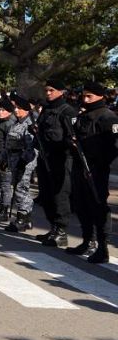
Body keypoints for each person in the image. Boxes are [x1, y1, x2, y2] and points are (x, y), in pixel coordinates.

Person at [66, 81, 118, 263]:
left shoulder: (108, 117)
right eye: (84, 96)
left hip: (96, 169)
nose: (85, 99)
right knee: (81, 206)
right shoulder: (84, 115)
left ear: (100, 96)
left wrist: (97, 164)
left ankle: (103, 248)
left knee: (98, 207)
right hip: (80, 166)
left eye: (90, 96)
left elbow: (114, 147)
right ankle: (88, 241)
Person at [34, 79, 79, 248]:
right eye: (46, 90)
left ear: (61, 91)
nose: (48, 93)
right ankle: (53, 227)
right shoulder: (46, 108)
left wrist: (63, 145)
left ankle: (61, 231)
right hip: (45, 156)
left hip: (61, 158)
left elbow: (73, 137)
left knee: (60, 195)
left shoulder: (68, 111)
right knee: (46, 195)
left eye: (51, 90)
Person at [2, 95, 38, 232]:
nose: (16, 110)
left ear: (26, 109)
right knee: (18, 188)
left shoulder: (29, 124)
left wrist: (23, 162)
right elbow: (8, 144)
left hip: (25, 161)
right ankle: (26, 219)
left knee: (21, 189)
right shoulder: (16, 123)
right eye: (15, 108)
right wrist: (4, 159)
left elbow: (31, 147)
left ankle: (22, 218)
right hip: (13, 160)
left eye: (19, 108)